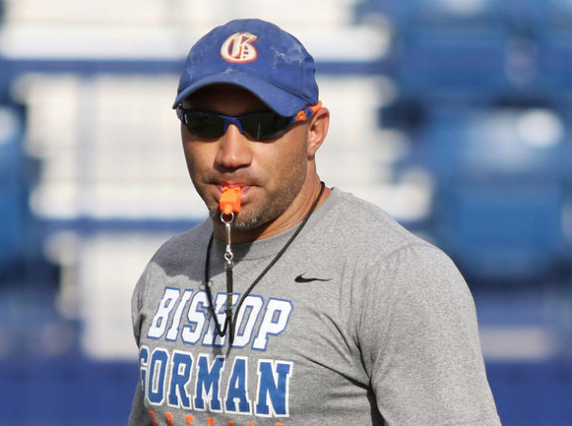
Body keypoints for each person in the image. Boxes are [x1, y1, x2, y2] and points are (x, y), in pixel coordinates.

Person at [128, 18, 501, 426]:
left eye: (262, 125)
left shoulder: (396, 275)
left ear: (314, 131)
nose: (230, 154)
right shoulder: (168, 268)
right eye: (204, 123)